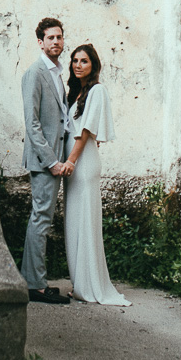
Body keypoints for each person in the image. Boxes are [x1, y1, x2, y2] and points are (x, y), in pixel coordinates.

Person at [61, 44, 130, 305]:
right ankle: (80, 282)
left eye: (84, 61)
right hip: (75, 160)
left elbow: (87, 130)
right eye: (75, 61)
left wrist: (71, 160)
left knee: (85, 221)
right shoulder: (78, 93)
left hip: (83, 162)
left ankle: (90, 285)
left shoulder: (98, 91)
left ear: (94, 65)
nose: (78, 65)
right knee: (74, 221)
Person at [20, 16, 73, 304]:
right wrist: (52, 161)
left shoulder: (56, 73)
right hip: (44, 161)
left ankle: (35, 280)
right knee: (40, 219)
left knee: (43, 218)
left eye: (59, 37)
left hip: (56, 158)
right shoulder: (35, 72)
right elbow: (32, 124)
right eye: (50, 38)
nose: (56, 41)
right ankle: (36, 286)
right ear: (40, 42)